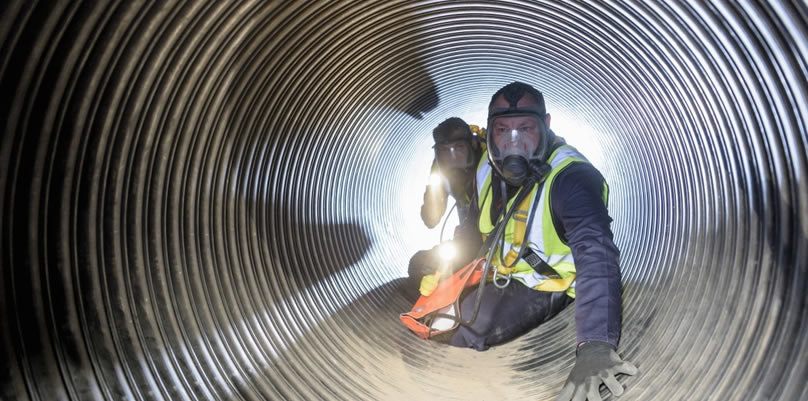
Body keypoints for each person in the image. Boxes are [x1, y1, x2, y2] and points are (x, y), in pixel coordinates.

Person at [447, 82, 637, 400]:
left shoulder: (571, 178)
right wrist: (453, 274)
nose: (513, 142)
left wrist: (595, 345)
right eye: (503, 129)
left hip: (546, 287)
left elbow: (596, 252)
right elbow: (471, 226)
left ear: (546, 125)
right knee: (442, 314)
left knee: (465, 331)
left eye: (525, 128)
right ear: (490, 130)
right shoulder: (486, 167)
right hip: (502, 274)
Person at [406, 117, 484, 301]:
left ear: (472, 143)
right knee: (419, 263)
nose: (452, 157)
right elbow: (431, 219)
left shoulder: (491, 158)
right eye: (444, 151)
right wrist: (437, 180)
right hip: (469, 237)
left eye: (458, 148)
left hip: (500, 234)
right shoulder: (440, 170)